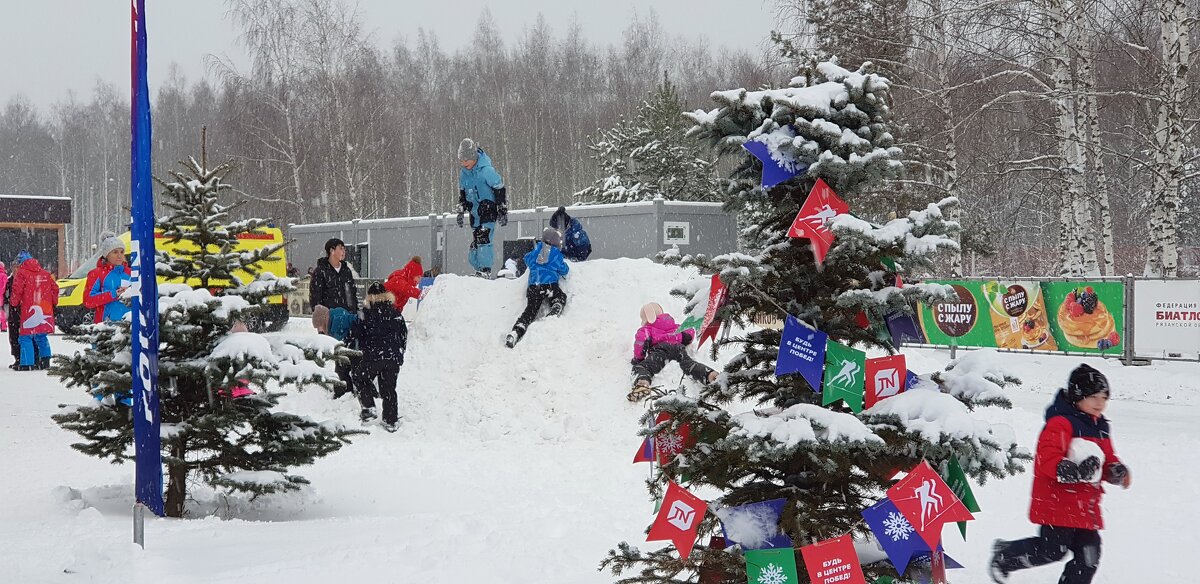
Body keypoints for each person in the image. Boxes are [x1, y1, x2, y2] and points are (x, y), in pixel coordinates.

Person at [989, 364, 1131, 584]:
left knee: (1089, 558)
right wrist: (1070, 470)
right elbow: (1047, 457)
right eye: (1093, 397)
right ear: (1077, 396)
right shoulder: (1061, 423)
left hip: (1085, 507)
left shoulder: (1101, 427)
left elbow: (1107, 459)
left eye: (1104, 397)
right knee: (1052, 551)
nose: (1100, 403)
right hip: (1058, 504)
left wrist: (1116, 471)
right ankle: (1005, 556)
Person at [346, 282, 408, 432]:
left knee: (360, 378)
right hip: (393, 357)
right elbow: (403, 335)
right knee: (389, 388)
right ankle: (391, 420)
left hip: (372, 356)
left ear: (370, 297)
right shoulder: (396, 313)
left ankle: (368, 408)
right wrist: (400, 351)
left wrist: (347, 346)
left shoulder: (364, 314)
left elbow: (354, 334)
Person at [627, 302, 718, 401]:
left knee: (644, 367)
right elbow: (689, 333)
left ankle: (643, 383)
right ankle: (710, 375)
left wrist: (638, 359)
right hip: (678, 348)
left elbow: (640, 342)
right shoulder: (674, 326)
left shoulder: (647, 329)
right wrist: (683, 339)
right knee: (689, 364)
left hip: (660, 350)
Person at [309, 238, 359, 398]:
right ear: (331, 250)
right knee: (339, 355)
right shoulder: (321, 271)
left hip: (348, 318)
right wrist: (320, 326)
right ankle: (341, 388)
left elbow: (352, 294)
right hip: (330, 321)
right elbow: (315, 299)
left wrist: (355, 313)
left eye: (344, 249)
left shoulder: (346, 270)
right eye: (340, 248)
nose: (343, 252)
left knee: (351, 353)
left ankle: (349, 386)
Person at [505, 228, 568, 348]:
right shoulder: (555, 254)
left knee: (530, 311)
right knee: (559, 296)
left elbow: (527, 259)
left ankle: (517, 331)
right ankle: (556, 305)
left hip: (534, 287)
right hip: (550, 285)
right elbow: (564, 270)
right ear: (555, 243)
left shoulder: (535, 253)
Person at [457, 138, 508, 278]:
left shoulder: (486, 171)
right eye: (461, 160)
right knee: (476, 242)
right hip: (475, 213)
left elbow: (499, 188)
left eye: (466, 160)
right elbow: (463, 194)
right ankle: (479, 268)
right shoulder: (463, 174)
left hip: (488, 210)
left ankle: (485, 270)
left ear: (473, 157)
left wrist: (502, 208)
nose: (463, 163)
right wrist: (461, 209)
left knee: (484, 238)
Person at [12, 251, 58, 371]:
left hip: (29, 309)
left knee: (26, 336)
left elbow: (17, 291)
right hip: (44, 308)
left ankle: (27, 364)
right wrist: (53, 302)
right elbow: (55, 288)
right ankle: (45, 360)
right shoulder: (45, 273)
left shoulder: (22, 273)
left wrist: (14, 303)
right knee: (41, 336)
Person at [86, 234, 131, 323]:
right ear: (106, 255)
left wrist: (130, 292)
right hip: (105, 326)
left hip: (129, 325)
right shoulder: (96, 274)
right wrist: (114, 294)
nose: (119, 255)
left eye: (122, 252)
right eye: (115, 252)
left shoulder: (131, 273)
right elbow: (88, 300)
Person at [0, 261, 7, 333]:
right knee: (2, 311)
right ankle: (3, 326)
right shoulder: (3, 275)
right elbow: (4, 286)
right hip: (1, 296)